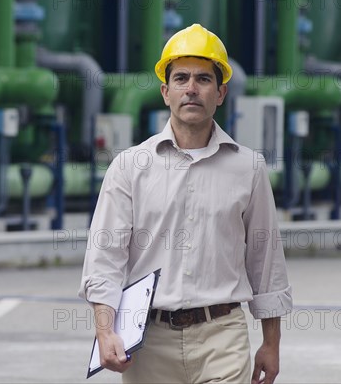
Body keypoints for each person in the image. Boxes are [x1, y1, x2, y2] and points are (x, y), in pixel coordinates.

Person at [79, 23, 292, 384]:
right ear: (165, 92)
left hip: (222, 336)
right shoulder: (130, 167)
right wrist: (105, 330)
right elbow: (105, 257)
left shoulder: (249, 168)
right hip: (149, 343)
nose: (191, 89)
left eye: (203, 79)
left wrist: (271, 343)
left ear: (221, 92)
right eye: (181, 79)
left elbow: (265, 260)